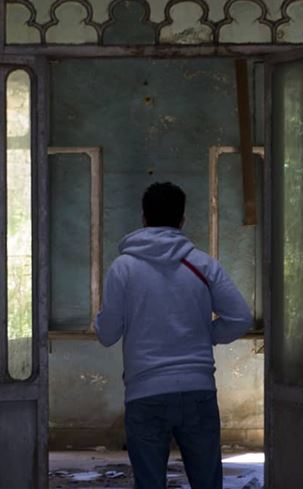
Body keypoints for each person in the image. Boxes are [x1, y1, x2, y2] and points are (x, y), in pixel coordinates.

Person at [94, 181, 252, 489]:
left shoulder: (123, 268)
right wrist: (206, 334)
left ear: (143, 218)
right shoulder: (203, 265)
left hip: (145, 394)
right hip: (198, 391)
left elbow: (107, 334)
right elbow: (240, 318)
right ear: (182, 220)